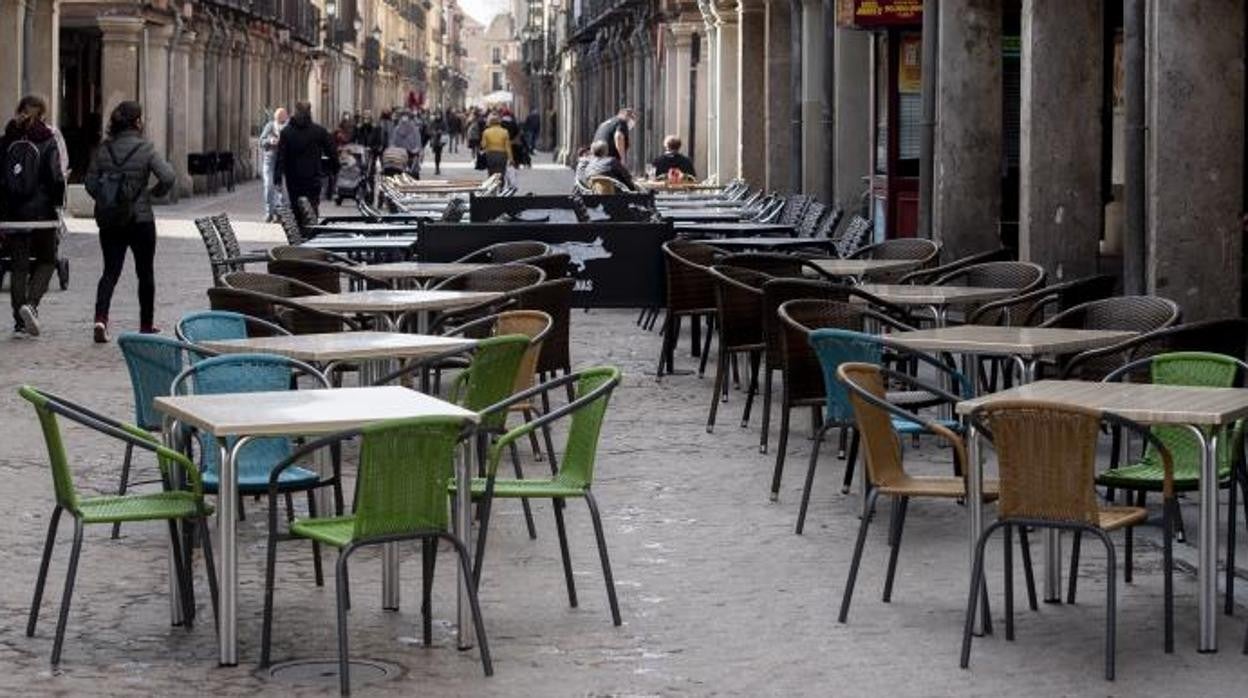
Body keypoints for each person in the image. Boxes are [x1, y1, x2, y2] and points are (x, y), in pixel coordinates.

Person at [84, 100, 175, 343]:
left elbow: (90, 184)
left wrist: (107, 198)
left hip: (111, 219)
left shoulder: (103, 149)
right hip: (140, 219)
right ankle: (146, 325)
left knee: (109, 271)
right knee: (144, 272)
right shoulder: (146, 149)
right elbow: (168, 176)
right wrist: (152, 194)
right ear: (137, 122)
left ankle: (100, 319)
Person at [0, 95, 64, 336]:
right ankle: (31, 304)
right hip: (42, 213)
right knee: (47, 260)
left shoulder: (7, 139)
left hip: (13, 213)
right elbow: (55, 177)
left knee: (18, 266)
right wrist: (57, 205)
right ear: (43, 114)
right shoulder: (47, 140)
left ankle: (18, 321)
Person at [275, 101, 337, 218]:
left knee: (295, 206)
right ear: (309, 112)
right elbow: (332, 151)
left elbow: (281, 156)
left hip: (293, 177)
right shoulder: (319, 131)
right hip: (312, 176)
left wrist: (277, 177)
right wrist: (333, 168)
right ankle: (311, 232)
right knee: (312, 205)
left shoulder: (286, 132)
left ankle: (299, 232)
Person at [258, 107, 288, 222]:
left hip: (283, 161)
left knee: (282, 188)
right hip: (270, 161)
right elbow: (261, 141)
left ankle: (280, 213)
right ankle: (269, 212)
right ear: (275, 117)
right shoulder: (270, 126)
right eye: (279, 116)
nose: (281, 118)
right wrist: (270, 141)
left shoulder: (289, 127)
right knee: (269, 186)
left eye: (283, 115)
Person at [390, 111, 424, 177]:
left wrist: (417, 150)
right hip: (399, 155)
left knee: (413, 172)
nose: (404, 118)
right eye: (403, 116)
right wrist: (393, 149)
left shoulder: (414, 129)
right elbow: (393, 141)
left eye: (406, 116)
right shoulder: (397, 129)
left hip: (411, 154)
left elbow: (418, 142)